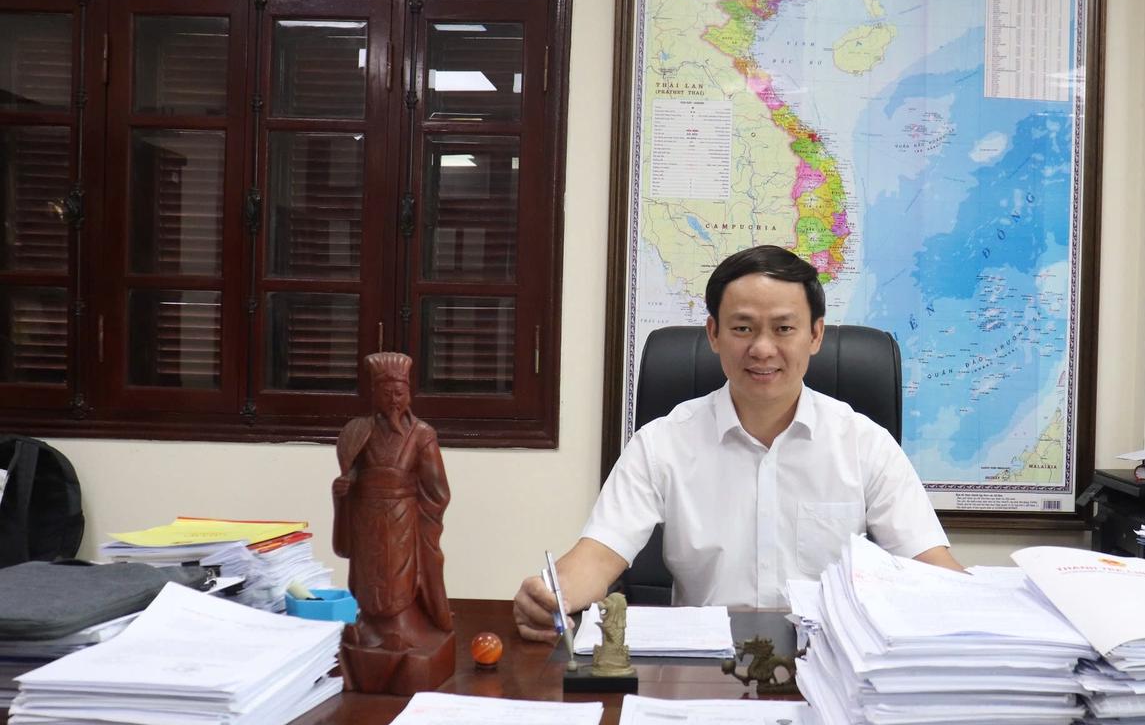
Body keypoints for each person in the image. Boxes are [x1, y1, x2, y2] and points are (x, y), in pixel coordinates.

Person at [513, 245, 962, 644]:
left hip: (827, 665)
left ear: (815, 335)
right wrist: (550, 595)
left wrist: (985, 610)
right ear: (713, 334)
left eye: (783, 329)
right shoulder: (662, 443)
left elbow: (932, 568)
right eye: (743, 328)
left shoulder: (865, 444)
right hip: (701, 668)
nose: (763, 349)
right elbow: (597, 557)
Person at [334, 352, 454, 689]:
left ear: (409, 393)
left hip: (404, 518)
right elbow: (350, 474)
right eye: (386, 392)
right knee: (369, 572)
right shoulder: (358, 432)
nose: (393, 399)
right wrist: (343, 492)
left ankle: (402, 627)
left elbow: (438, 490)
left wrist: (421, 518)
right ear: (374, 393)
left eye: (399, 392)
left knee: (399, 574)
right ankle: (369, 627)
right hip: (366, 515)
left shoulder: (422, 434)